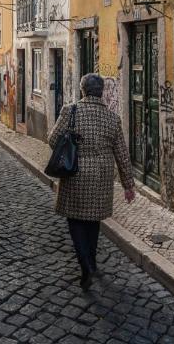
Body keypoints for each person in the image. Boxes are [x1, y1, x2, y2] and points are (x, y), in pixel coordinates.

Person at [48, 73, 135, 291]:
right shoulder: (112, 118)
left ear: (82, 90)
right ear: (102, 91)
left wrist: (72, 148)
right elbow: (122, 154)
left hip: (75, 173)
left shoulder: (71, 111)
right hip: (101, 176)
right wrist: (128, 185)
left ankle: (85, 263)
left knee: (75, 220)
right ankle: (93, 262)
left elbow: (52, 139)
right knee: (93, 220)